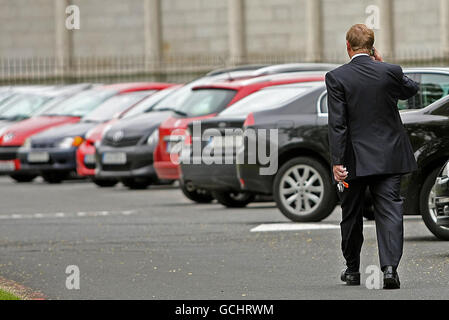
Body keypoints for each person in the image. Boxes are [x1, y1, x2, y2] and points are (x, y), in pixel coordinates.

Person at [325, 24, 419, 289]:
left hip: (354, 159)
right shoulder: (390, 71)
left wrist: (337, 162)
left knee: (351, 213)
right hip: (390, 156)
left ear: (348, 46)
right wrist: (383, 63)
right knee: (390, 211)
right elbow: (411, 90)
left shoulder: (337, 77)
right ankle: (389, 269)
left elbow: (338, 124)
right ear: (372, 47)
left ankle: (352, 270)